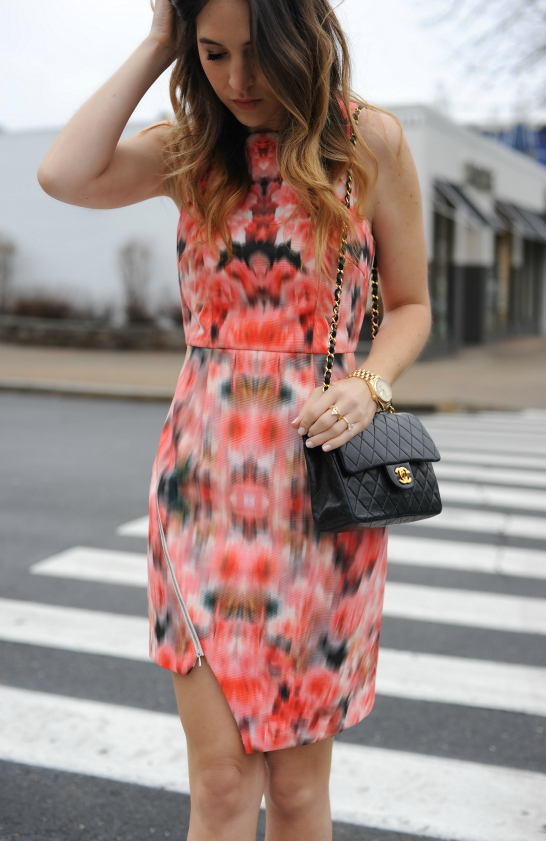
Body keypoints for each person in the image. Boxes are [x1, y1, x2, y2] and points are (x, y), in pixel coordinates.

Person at [37, 0, 431, 838]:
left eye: (256, 53)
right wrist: (158, 41)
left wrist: (370, 383)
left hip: (322, 492)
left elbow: (411, 306)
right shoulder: (189, 148)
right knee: (221, 783)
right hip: (204, 487)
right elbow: (64, 175)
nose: (237, 80)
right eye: (212, 55)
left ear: (302, 38)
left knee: (295, 790)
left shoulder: (370, 143)